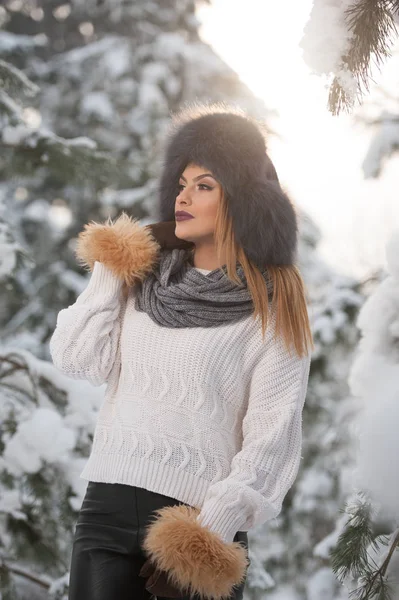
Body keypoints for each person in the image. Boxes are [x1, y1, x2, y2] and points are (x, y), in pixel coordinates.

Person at [49, 100, 314, 600]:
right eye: (182, 183)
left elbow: (271, 441)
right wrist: (114, 263)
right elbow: (76, 358)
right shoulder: (144, 280)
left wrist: (205, 541)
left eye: (204, 185)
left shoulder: (273, 306)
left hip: (195, 526)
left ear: (241, 201)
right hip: (104, 510)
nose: (183, 196)